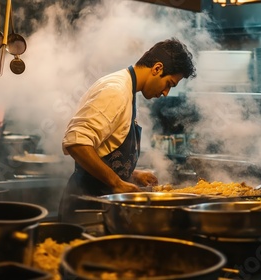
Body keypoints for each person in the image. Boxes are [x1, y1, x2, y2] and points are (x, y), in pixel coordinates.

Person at [58, 38, 196, 223]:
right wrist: (116, 182)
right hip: (87, 209)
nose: (165, 93)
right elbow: (76, 142)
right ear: (156, 69)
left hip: (102, 207)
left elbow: (104, 148)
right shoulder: (115, 90)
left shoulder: (127, 90)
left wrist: (130, 174)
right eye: (169, 84)